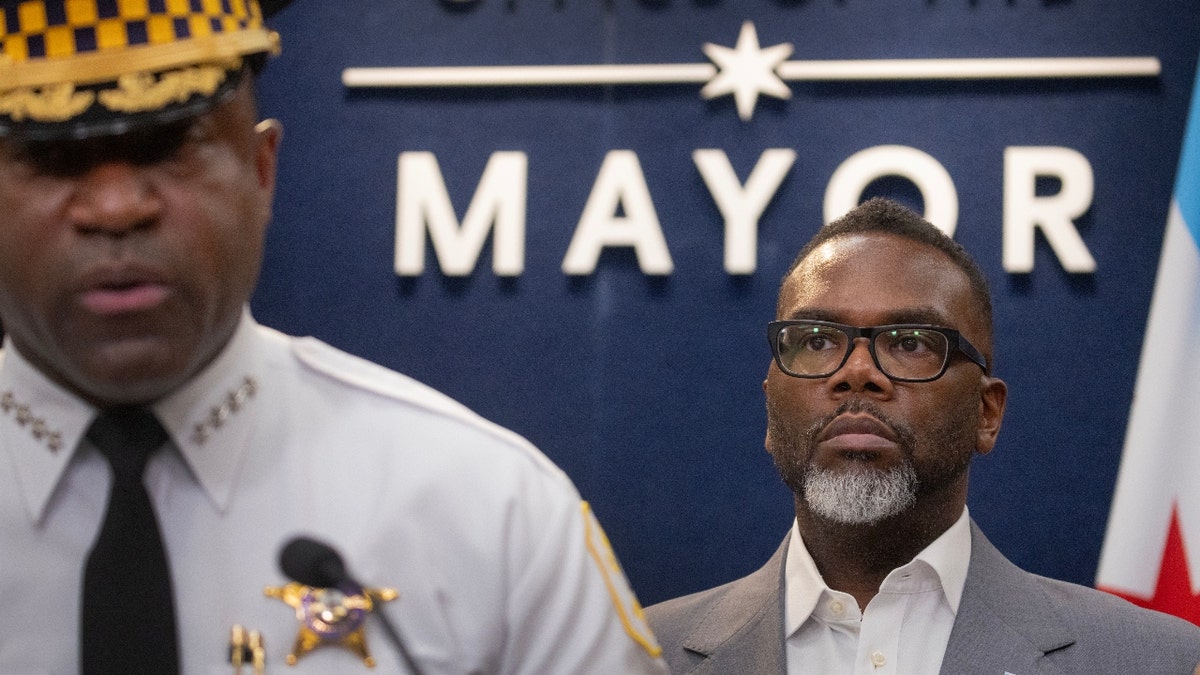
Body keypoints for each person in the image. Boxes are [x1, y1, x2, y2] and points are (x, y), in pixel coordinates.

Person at [0, 1, 666, 672]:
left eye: (170, 148)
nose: (116, 208)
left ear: (261, 170)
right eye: (52, 159)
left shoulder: (489, 515)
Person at [645, 197, 1200, 673]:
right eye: (816, 340)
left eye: (910, 342)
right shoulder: (641, 657)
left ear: (987, 413)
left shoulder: (1157, 660)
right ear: (770, 404)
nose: (856, 371)